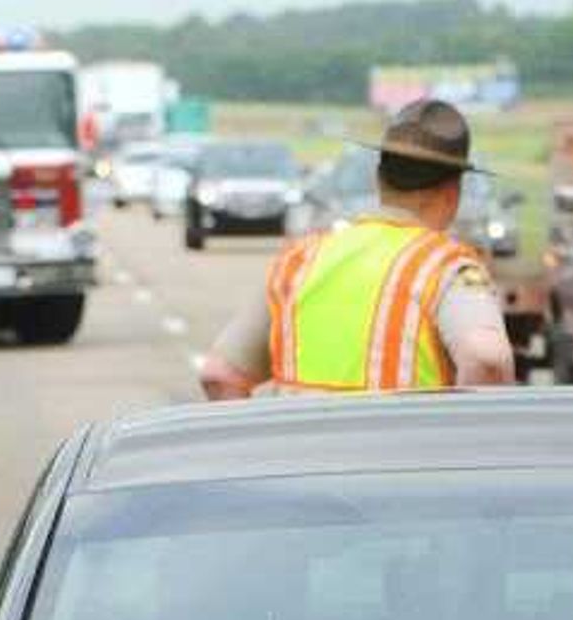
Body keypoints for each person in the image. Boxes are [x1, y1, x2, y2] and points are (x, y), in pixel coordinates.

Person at [194, 98, 514, 399]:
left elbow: (219, 375)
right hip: (402, 456)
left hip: (297, 457)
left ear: (378, 179)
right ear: (452, 192)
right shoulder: (445, 267)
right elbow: (485, 358)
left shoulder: (300, 260)